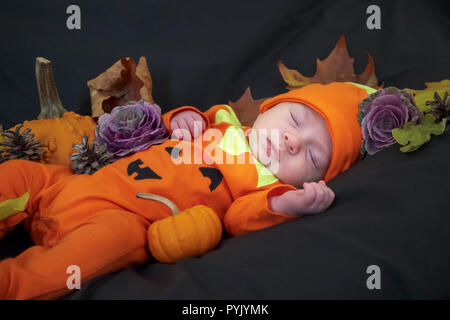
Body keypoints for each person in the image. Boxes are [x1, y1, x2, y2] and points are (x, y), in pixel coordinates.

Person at [0, 81, 373, 299]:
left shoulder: (264, 185)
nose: (293, 141)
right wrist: (182, 117)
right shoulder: (221, 121)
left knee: (114, 241)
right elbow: (159, 134)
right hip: (71, 185)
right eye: (295, 119)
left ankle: (13, 283)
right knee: (19, 174)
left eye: (312, 154)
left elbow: (240, 219)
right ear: (269, 108)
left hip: (113, 219)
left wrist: (286, 205)